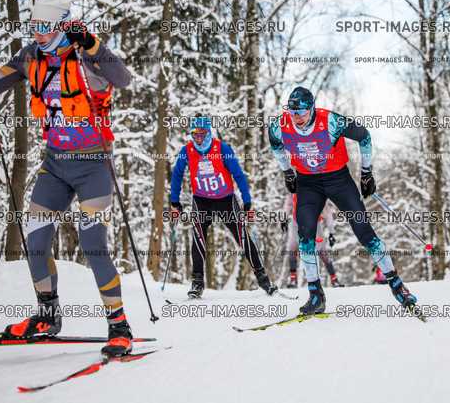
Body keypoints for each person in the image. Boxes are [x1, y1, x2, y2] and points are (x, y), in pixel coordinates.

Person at [0, 0, 133, 356]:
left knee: (93, 243)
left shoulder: (86, 55)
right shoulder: (30, 57)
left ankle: (119, 325)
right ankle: (47, 316)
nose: (37, 33)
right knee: (36, 239)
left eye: (45, 26)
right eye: (33, 25)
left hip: (93, 165)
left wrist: (93, 44)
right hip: (55, 165)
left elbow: (123, 78)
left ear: (62, 25)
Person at [268, 86, 417, 314]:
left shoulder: (331, 121)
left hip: (338, 179)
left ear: (312, 109)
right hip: (308, 183)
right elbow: (275, 143)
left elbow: (364, 136)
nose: (297, 118)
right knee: (305, 236)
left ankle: (397, 286)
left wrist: (366, 173)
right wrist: (287, 172)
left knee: (364, 231)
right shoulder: (279, 125)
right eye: (293, 112)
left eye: (302, 112)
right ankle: (316, 295)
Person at [170, 116, 277, 298]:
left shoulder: (222, 148)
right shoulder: (187, 151)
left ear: (208, 133)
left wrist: (247, 201)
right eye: (195, 134)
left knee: (242, 237)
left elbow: (239, 175)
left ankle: (263, 278)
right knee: (198, 238)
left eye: (202, 134)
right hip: (201, 201)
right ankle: (197, 283)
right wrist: (174, 202)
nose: (198, 138)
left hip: (225, 201)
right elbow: (177, 175)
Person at [281, 194, 343, 288]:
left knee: (322, 250)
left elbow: (327, 211)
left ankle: (334, 280)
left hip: (314, 223)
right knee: (292, 248)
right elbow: (288, 204)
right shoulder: (295, 190)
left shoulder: (317, 190)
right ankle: (293, 279)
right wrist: (284, 219)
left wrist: (331, 232)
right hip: (296, 223)